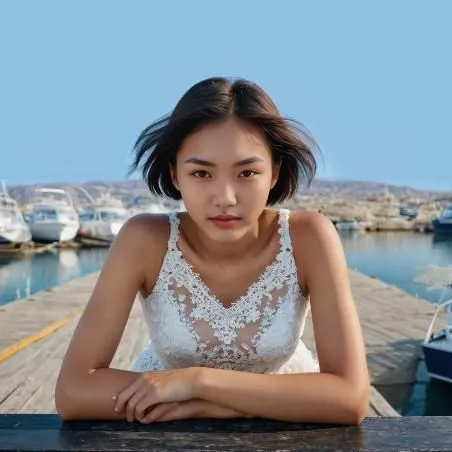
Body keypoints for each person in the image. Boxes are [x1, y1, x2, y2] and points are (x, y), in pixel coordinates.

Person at [55, 77, 370, 425]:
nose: (225, 198)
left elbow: (350, 398)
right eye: (201, 173)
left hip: (281, 435)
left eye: (247, 172)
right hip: (183, 434)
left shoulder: (308, 237)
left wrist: (195, 384)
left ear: (275, 172)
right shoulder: (144, 239)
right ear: (175, 174)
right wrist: (240, 402)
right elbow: (74, 391)